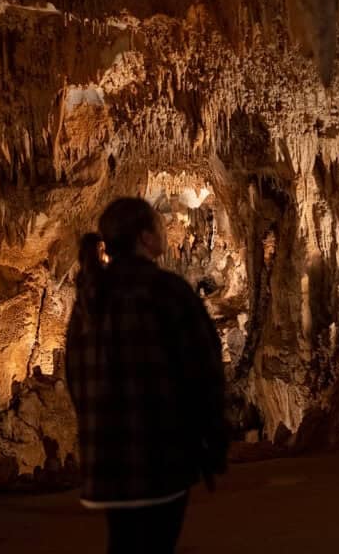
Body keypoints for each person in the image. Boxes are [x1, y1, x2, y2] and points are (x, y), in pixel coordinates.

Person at [65, 198, 229, 553]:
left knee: (122, 546)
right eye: (159, 226)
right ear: (145, 238)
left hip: (106, 464)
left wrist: (95, 430)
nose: (164, 232)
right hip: (161, 459)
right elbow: (204, 372)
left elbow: (75, 377)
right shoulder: (168, 291)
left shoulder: (89, 298)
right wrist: (213, 443)